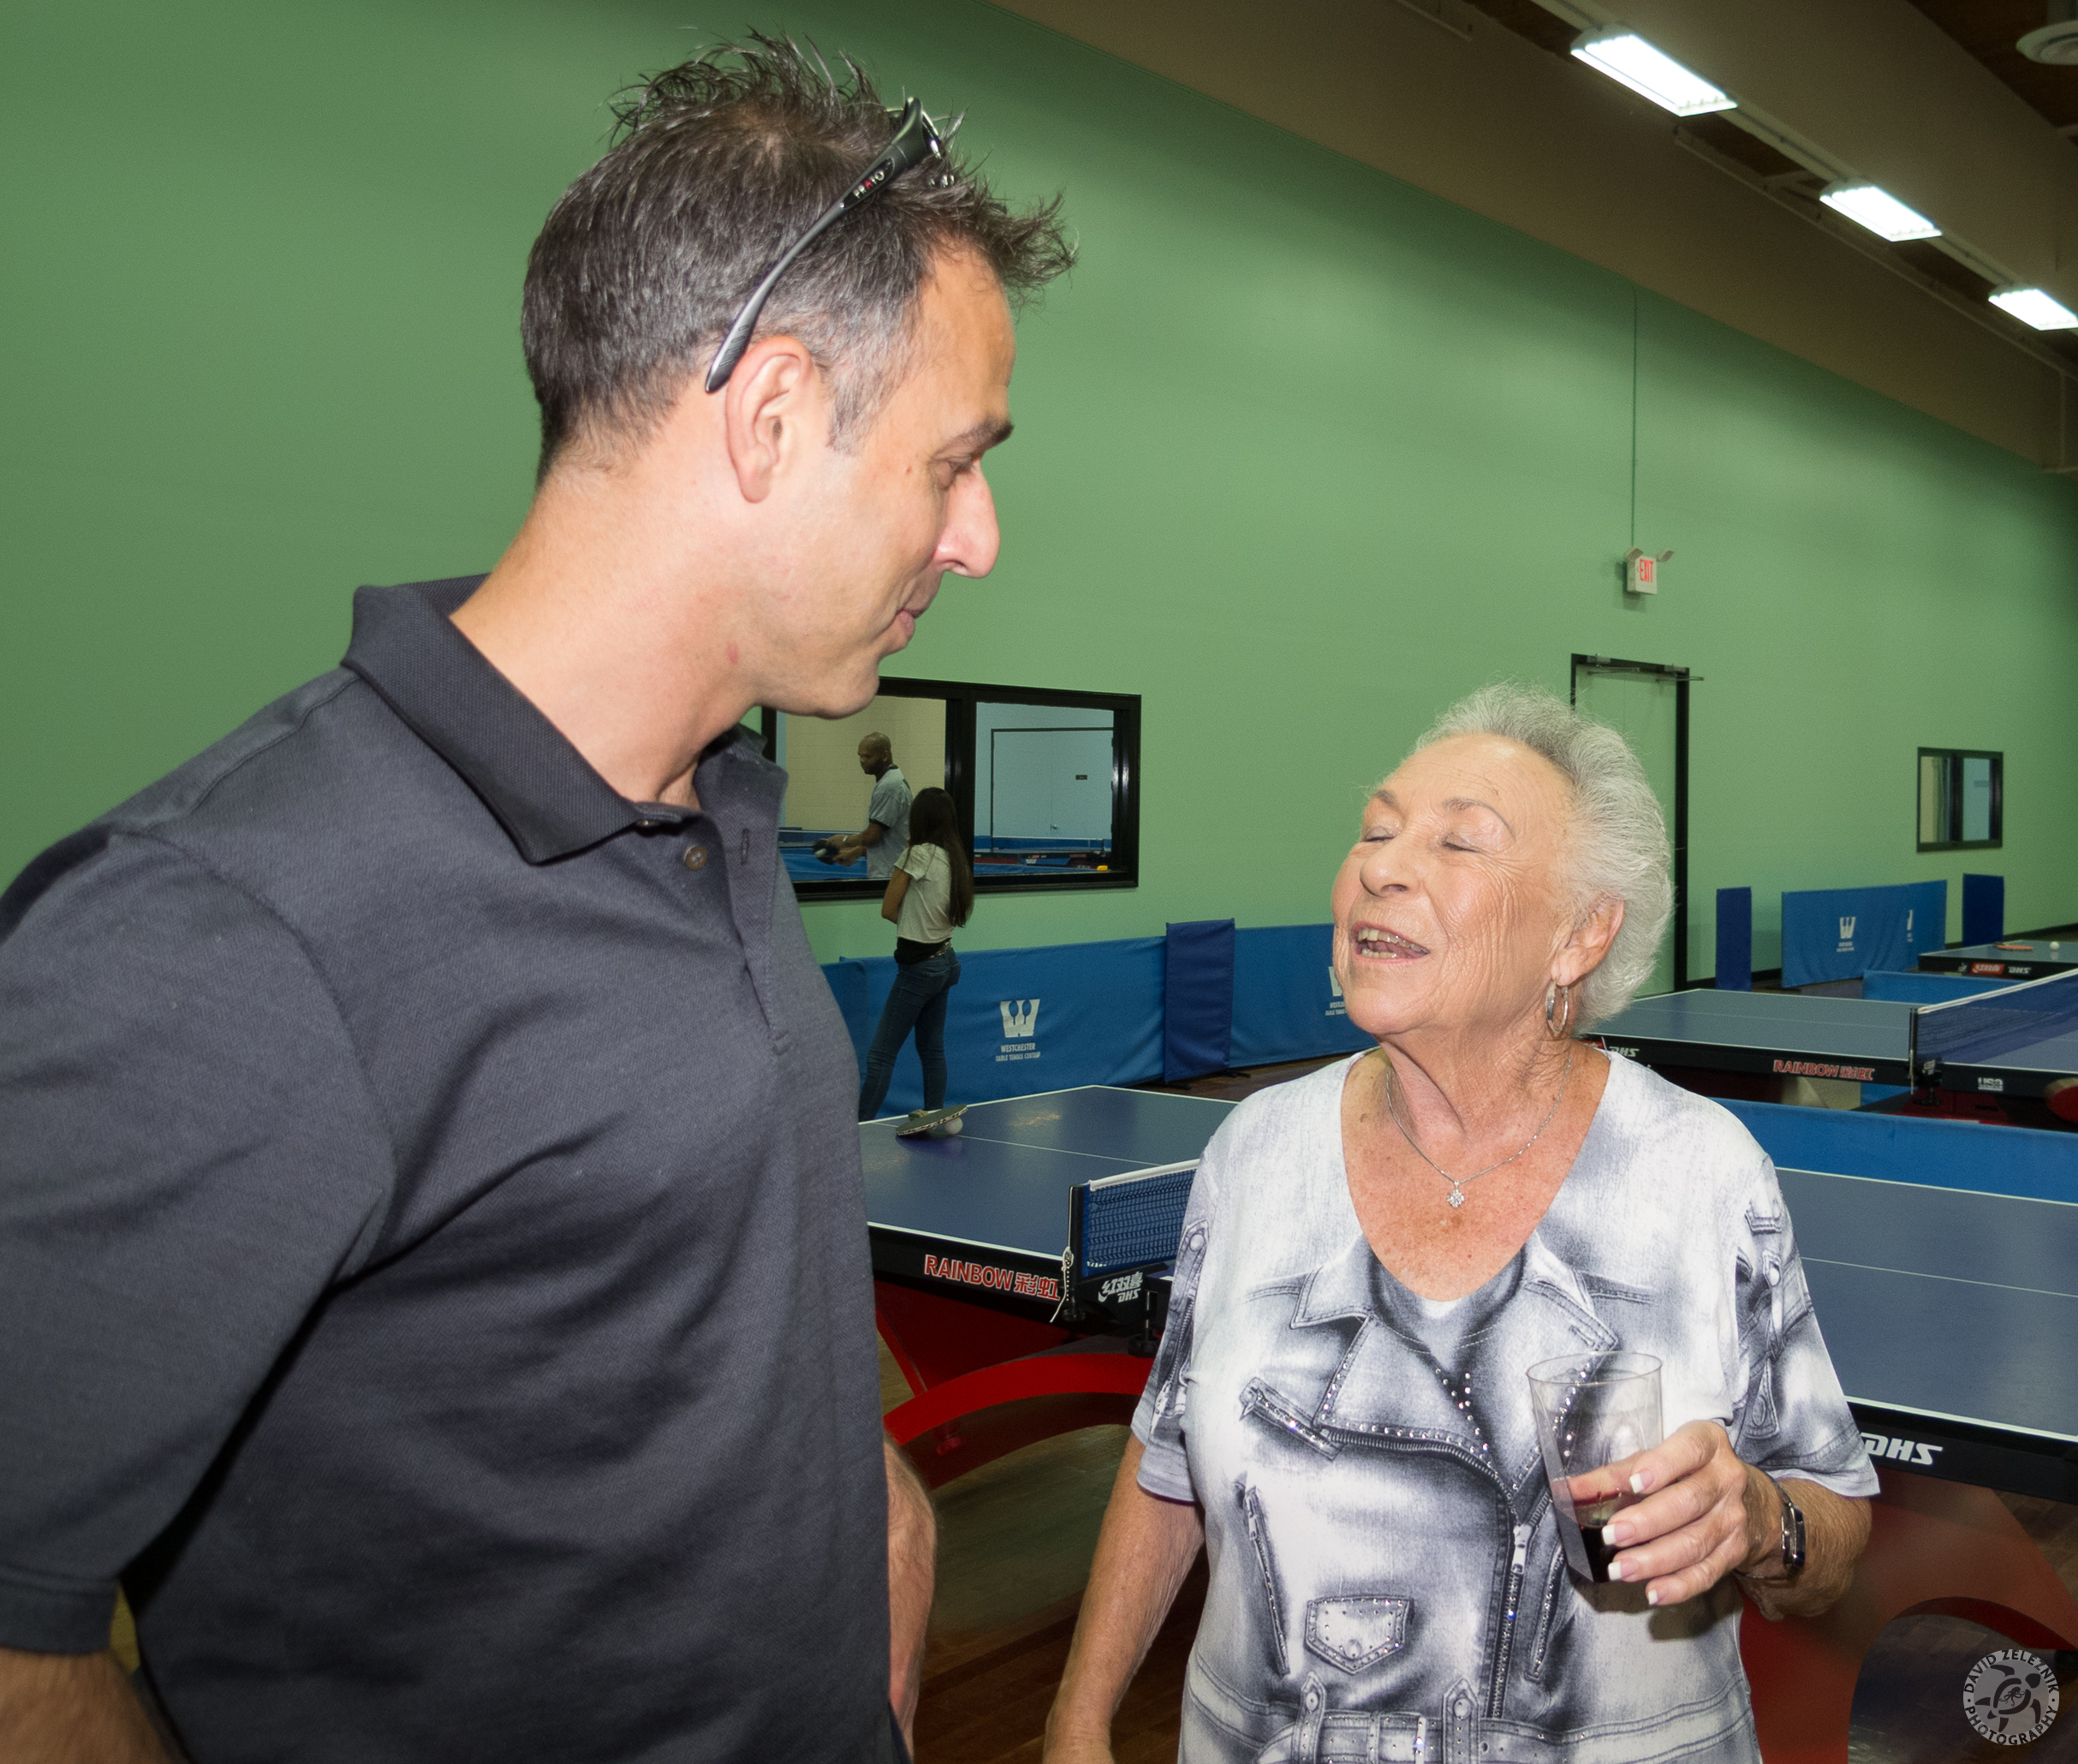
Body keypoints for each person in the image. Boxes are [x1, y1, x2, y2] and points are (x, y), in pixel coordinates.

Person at [0, 39, 1070, 1764]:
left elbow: (684, 1308)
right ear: (771, 416)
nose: (979, 536)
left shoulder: (719, 808)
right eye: (955, 462)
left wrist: (862, 1491)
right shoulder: (226, 934)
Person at [1045, 684, 1876, 1764]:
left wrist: (1761, 1519)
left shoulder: (1703, 1170)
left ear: (1580, 933)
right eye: (1376, 830)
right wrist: (1077, 1716)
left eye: (1458, 841)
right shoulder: (1253, 1152)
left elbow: (1833, 1527)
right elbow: (1168, 1456)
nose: (1382, 867)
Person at [859, 785, 973, 1123]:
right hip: (945, 962)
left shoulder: (916, 855)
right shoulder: (954, 857)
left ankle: (858, 1130)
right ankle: (935, 1114)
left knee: (881, 1055)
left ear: (919, 819)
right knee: (932, 1049)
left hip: (919, 969)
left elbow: (888, 909)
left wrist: (909, 853)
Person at [819, 732, 912, 879]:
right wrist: (857, 852)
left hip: (889, 875)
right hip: (889, 872)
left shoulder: (889, 786)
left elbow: (873, 836)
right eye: (860, 756)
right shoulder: (891, 781)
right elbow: (887, 839)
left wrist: (844, 841)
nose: (862, 760)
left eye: (868, 756)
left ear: (885, 755)